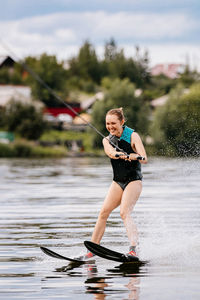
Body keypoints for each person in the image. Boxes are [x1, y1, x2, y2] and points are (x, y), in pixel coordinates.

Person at [83, 107, 147, 260]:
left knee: (124, 212)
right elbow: (110, 153)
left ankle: (134, 249)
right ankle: (92, 250)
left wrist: (132, 156)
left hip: (133, 181)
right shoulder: (106, 140)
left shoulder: (133, 136)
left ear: (122, 122)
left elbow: (144, 158)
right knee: (103, 213)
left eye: (113, 123)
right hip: (117, 182)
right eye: (107, 124)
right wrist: (118, 154)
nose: (110, 127)